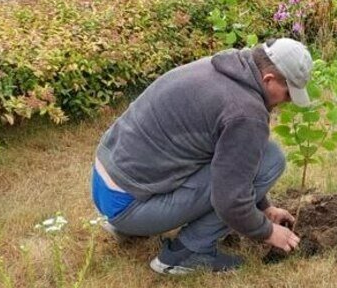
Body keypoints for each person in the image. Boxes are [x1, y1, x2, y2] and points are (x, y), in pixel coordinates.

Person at [92, 39, 312, 275]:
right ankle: (186, 253)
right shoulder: (246, 113)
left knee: (252, 156)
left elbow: (229, 158)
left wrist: (264, 208)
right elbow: (230, 201)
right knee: (271, 159)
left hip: (106, 188)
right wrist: (268, 231)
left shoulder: (221, 68)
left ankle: (132, 228)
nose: (287, 101)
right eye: (288, 93)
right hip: (130, 206)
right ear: (268, 80)